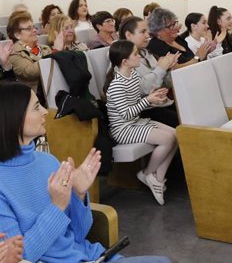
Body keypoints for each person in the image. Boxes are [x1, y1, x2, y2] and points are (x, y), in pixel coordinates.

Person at [0, 82, 172, 262]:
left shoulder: (48, 161)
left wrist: (79, 194)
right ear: (13, 118)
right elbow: (20, 258)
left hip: (91, 256)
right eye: (36, 107)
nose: (45, 111)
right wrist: (57, 206)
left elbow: (79, 234)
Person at [105, 41, 178, 205]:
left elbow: (137, 102)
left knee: (176, 134)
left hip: (135, 122)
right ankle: (147, 173)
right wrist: (148, 101)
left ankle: (157, 178)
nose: (139, 56)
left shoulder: (133, 76)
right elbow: (125, 114)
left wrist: (154, 97)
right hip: (123, 130)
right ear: (125, 61)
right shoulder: (116, 85)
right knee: (167, 139)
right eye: (135, 54)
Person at [119, 17, 180, 127]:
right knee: (184, 125)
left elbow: (163, 85)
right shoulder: (123, 60)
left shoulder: (146, 53)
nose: (148, 35)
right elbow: (143, 90)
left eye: (147, 31)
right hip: (145, 110)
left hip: (161, 104)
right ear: (128, 35)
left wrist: (169, 69)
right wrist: (161, 68)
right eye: (143, 32)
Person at [146, 8, 212, 67]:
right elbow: (174, 69)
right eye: (171, 26)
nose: (175, 27)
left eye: (175, 23)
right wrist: (197, 58)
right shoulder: (155, 45)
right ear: (158, 31)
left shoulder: (178, 39)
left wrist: (205, 52)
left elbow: (196, 61)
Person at [7, 12, 51, 94]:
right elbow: (30, 71)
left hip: (51, 90)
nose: (34, 30)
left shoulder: (44, 48)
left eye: (34, 27)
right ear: (17, 35)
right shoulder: (15, 53)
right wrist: (54, 56)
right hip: (34, 97)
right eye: (29, 28)